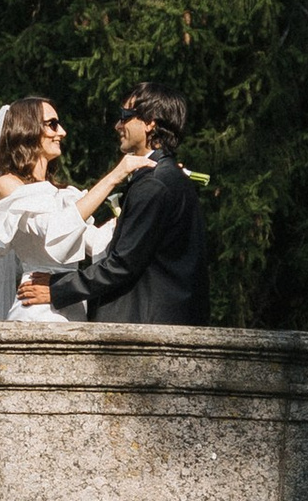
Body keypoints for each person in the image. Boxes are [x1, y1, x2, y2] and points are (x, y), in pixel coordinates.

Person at [0, 97, 152, 322]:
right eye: (53, 124)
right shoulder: (8, 184)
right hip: (37, 308)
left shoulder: (64, 194)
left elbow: (97, 243)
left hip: (70, 301)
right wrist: (114, 176)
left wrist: (139, 204)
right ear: (27, 128)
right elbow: (54, 231)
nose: (62, 132)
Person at [65, 85, 209, 324]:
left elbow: (123, 264)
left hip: (148, 322)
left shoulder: (155, 184)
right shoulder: (167, 176)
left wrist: (57, 288)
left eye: (125, 116)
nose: (117, 126)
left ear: (150, 122)